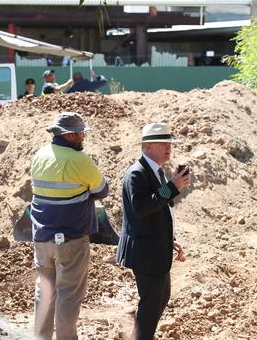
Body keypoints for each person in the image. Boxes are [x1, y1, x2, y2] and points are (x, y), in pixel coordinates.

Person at [30, 112, 109, 340]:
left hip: (41, 238)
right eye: (81, 133)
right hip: (71, 239)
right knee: (69, 295)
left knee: (44, 293)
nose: (84, 136)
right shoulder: (80, 161)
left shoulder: (40, 155)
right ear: (71, 135)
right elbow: (102, 190)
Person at [116, 123, 191, 340]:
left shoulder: (154, 171)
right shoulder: (137, 173)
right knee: (151, 303)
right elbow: (141, 208)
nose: (169, 147)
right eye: (163, 143)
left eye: (170, 143)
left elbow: (156, 209)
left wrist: (170, 239)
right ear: (148, 146)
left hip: (155, 248)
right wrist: (172, 186)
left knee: (161, 297)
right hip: (145, 251)